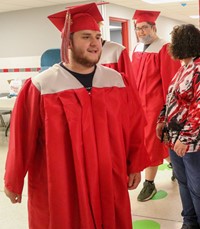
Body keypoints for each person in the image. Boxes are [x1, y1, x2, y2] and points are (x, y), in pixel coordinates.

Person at [4, 3, 150, 229]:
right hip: (63, 180)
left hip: (108, 178)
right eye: (86, 37)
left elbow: (133, 127)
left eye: (97, 36)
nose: (94, 43)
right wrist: (13, 180)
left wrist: (134, 165)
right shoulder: (42, 85)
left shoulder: (116, 81)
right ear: (67, 42)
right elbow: (22, 138)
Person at [131, 9, 181, 202]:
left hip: (155, 106)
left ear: (154, 27)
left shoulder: (164, 48)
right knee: (157, 143)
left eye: (144, 28)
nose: (141, 32)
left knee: (151, 143)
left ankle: (149, 184)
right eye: (138, 29)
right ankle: (177, 167)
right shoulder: (136, 49)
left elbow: (170, 82)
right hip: (138, 105)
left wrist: (168, 111)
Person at [157, 24, 200, 229]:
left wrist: (186, 138)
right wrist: (161, 119)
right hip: (174, 139)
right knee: (183, 183)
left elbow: (198, 107)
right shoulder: (183, 68)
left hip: (191, 143)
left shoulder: (199, 68)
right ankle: (189, 221)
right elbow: (172, 99)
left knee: (197, 187)